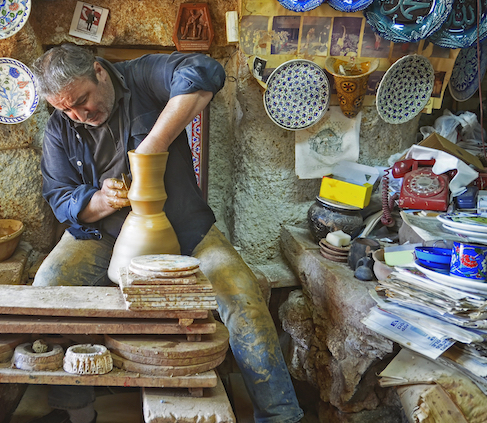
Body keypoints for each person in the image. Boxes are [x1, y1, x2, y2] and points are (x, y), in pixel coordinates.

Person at [29, 44, 305, 423]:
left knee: (243, 296)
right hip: (102, 236)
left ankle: (280, 416)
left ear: (99, 71)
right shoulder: (61, 127)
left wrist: (154, 146)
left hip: (184, 228)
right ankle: (76, 411)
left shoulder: (141, 77)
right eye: (66, 109)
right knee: (47, 290)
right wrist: (101, 200)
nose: (79, 114)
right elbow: (60, 197)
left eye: (81, 100)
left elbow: (205, 71)